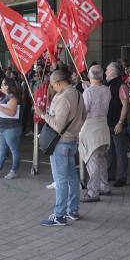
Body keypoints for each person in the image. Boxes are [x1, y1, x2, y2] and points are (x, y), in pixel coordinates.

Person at [36, 69, 86, 226]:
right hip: (71, 141)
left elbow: (58, 125)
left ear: (59, 82)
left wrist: (43, 115)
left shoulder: (63, 97)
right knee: (72, 177)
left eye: (52, 85)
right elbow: (84, 116)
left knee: (61, 179)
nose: (52, 88)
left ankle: (59, 215)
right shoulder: (78, 94)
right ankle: (73, 210)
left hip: (61, 143)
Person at [80, 65, 111, 202]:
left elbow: (85, 110)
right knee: (102, 159)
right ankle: (104, 186)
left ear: (89, 76)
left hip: (91, 128)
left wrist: (87, 91)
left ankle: (93, 192)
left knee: (92, 161)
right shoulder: (107, 90)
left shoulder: (88, 92)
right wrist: (88, 88)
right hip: (103, 127)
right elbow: (97, 97)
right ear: (102, 75)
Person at [106, 62, 130, 187]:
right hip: (109, 123)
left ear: (113, 72)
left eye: (107, 70)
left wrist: (120, 122)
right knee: (110, 150)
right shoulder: (109, 85)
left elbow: (125, 105)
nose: (105, 72)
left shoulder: (121, 86)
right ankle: (111, 173)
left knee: (120, 151)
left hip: (117, 123)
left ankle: (122, 177)